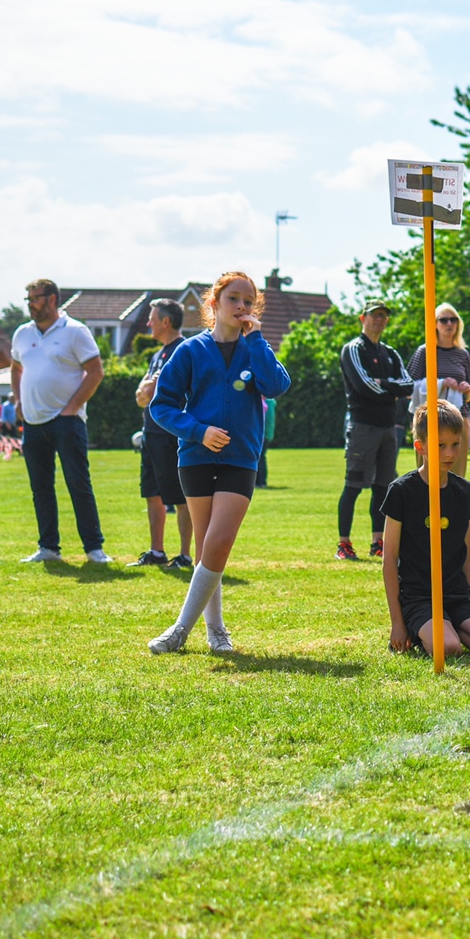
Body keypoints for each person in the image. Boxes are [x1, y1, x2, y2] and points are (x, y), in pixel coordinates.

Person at [147, 271, 290, 654]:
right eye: (233, 299)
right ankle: (216, 631)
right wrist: (198, 431)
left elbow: (277, 386)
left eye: (248, 301)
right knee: (207, 546)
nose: (241, 306)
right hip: (195, 458)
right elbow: (162, 405)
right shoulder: (190, 351)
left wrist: (256, 339)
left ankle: (180, 629)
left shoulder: (255, 347)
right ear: (214, 303)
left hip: (241, 459)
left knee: (219, 541)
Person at [382, 401, 470, 658]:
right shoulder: (401, 491)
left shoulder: (464, 491)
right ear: (420, 447)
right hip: (419, 597)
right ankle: (428, 630)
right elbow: (389, 559)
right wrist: (397, 623)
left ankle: (454, 624)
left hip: (457, 593)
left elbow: (467, 553)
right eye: (440, 446)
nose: (449, 453)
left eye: (455, 444)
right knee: (448, 648)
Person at [10, 278, 110, 563]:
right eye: (28, 299)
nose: (30, 304)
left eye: (35, 298)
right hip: (33, 422)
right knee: (40, 488)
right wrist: (18, 400)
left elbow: (96, 372)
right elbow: (15, 368)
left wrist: (72, 408)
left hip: (67, 422)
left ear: (52, 299)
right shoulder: (21, 333)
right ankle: (48, 548)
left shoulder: (75, 331)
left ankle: (94, 549)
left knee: (78, 484)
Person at [338, 301, 415, 560]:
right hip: (362, 426)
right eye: (375, 315)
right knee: (353, 485)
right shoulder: (353, 349)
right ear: (363, 318)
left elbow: (408, 385)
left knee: (383, 486)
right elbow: (363, 385)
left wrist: (384, 384)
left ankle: (377, 542)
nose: (379, 320)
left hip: (388, 428)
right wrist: (390, 391)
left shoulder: (390, 353)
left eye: (383, 316)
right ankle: (344, 544)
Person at [129, 299, 193, 570]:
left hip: (172, 434)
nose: (148, 324)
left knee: (181, 496)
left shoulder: (184, 350)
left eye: (152, 319)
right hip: (151, 433)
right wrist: (147, 390)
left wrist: (149, 391)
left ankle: (185, 555)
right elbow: (140, 395)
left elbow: (157, 392)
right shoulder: (157, 355)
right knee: (152, 492)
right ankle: (157, 552)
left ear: (166, 321)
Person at [407, 302, 470, 477]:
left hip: (458, 420)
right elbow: (408, 386)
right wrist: (440, 383)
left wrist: (467, 391)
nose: (449, 324)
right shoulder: (424, 351)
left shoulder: (463, 354)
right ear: (435, 324)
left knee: (456, 476)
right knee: (428, 476)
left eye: (453, 320)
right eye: (443, 320)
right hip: (429, 421)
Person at [257, 395, 276, 487]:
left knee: (259, 458)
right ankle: (260, 482)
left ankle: (260, 482)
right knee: (260, 458)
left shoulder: (264, 403)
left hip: (262, 435)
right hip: (266, 434)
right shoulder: (270, 402)